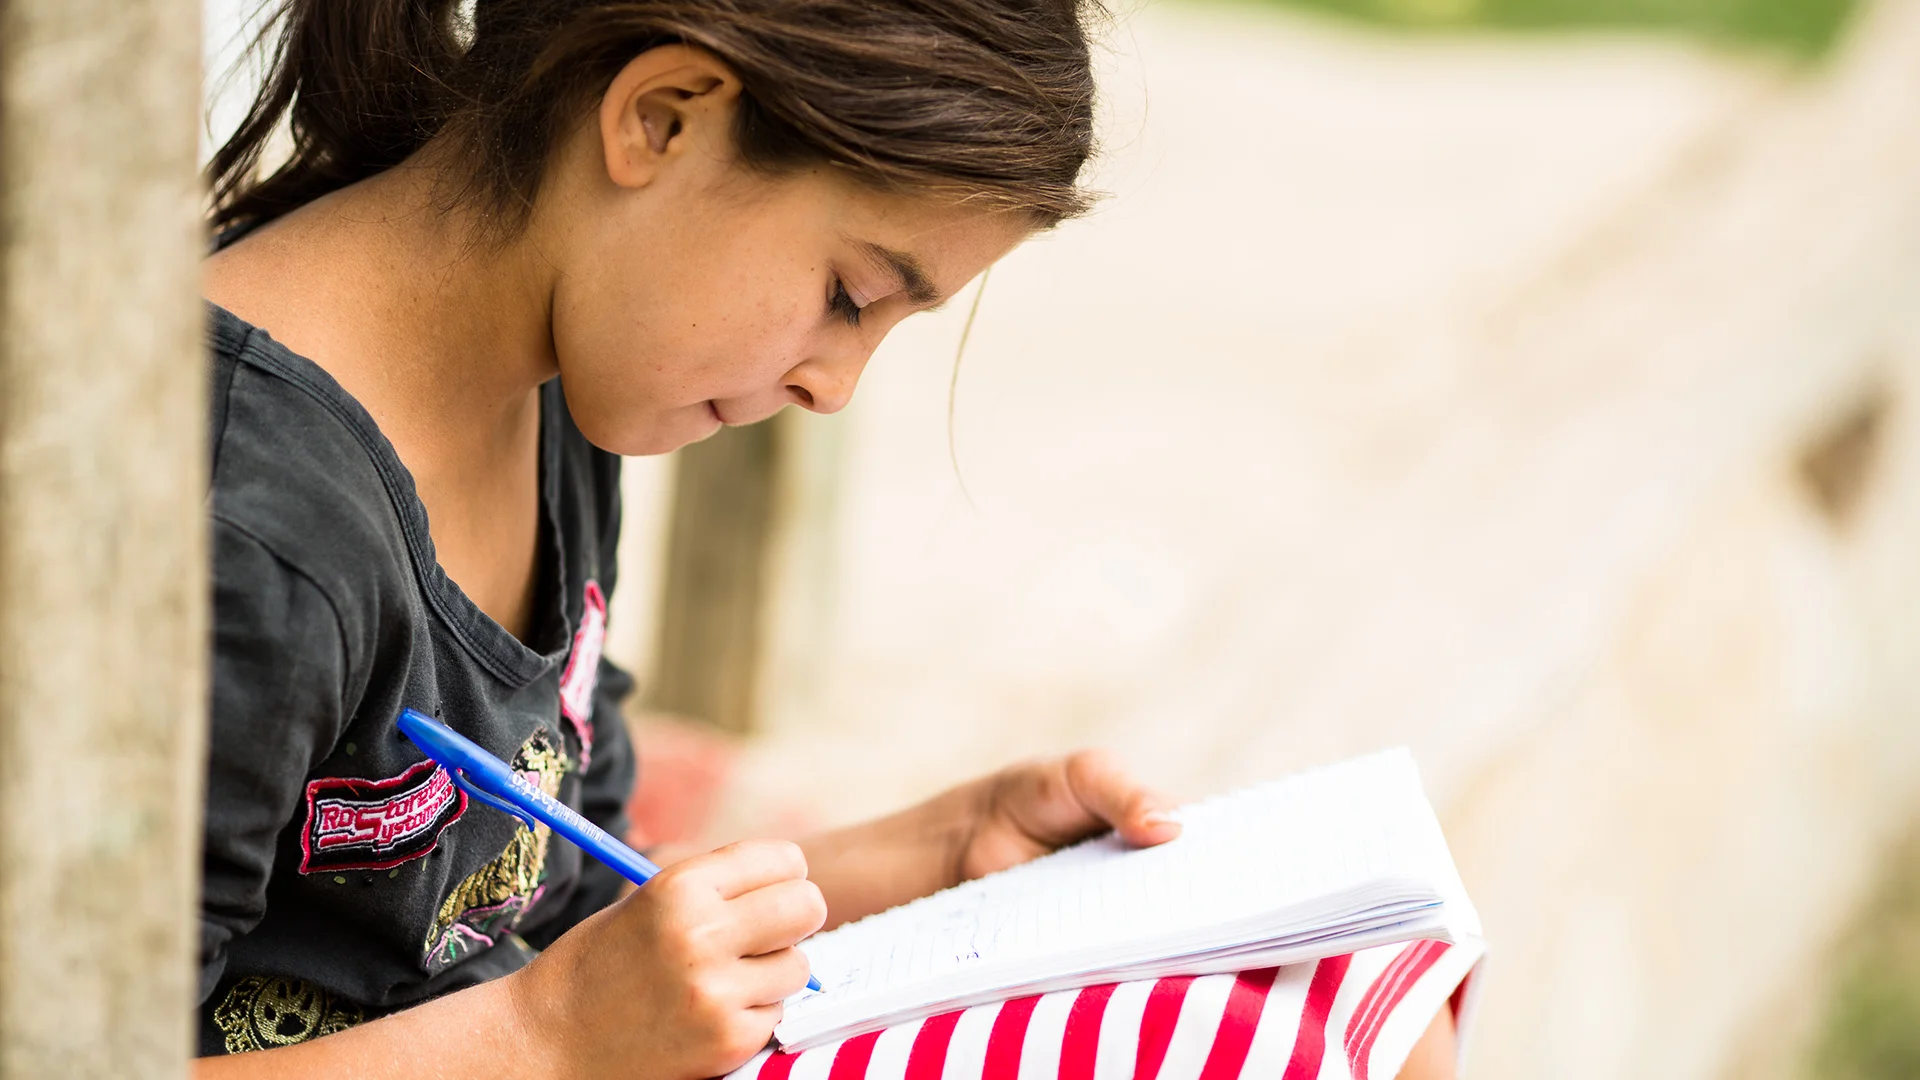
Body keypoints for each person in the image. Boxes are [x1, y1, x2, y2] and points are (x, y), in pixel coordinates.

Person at [195, 1, 1463, 1077]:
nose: (832, 387)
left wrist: (937, 856)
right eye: (850, 296)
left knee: (1341, 998)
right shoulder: (242, 526)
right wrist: (549, 1032)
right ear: (661, 119)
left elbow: (552, 881)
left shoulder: (561, 378)